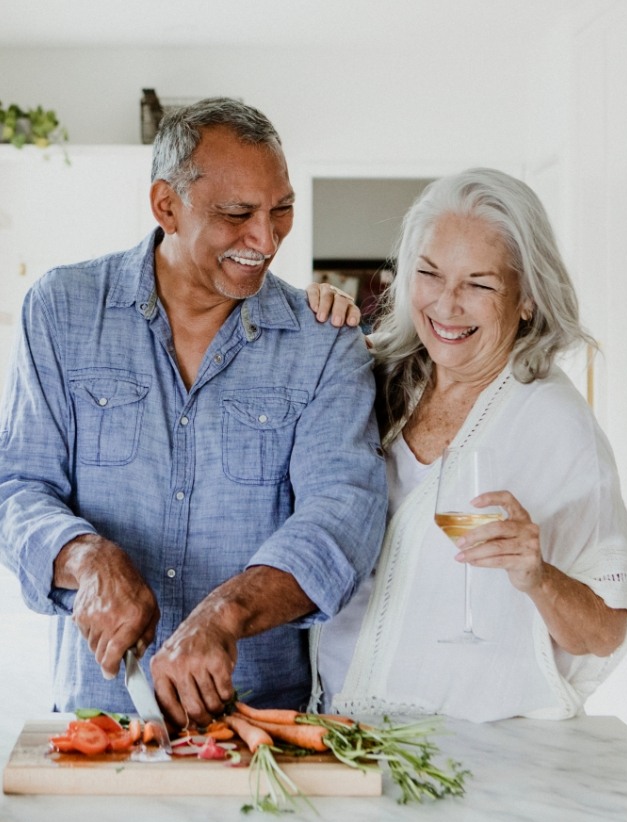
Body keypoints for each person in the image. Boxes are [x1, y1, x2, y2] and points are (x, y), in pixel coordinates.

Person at [0, 97, 387, 728]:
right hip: (100, 722)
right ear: (166, 206)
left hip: (262, 725)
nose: (265, 239)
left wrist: (225, 613)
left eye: (281, 209)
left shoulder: (324, 343)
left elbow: (344, 513)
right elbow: (17, 486)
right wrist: (85, 556)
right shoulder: (61, 312)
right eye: (237, 215)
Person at [307, 167, 627, 722]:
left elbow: (604, 631)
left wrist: (539, 576)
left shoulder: (556, 425)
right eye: (430, 274)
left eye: (479, 284)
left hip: (470, 756)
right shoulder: (374, 378)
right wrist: (312, 321)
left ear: (526, 298)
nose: (446, 304)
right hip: (335, 732)